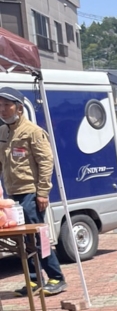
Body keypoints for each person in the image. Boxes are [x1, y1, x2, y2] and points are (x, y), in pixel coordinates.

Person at [0, 86, 67, 296]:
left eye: (7, 105)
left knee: (38, 237)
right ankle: (34, 279)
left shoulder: (33, 132)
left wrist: (43, 192)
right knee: (22, 241)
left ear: (19, 108)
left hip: (30, 192)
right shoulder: (3, 132)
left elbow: (46, 162)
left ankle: (57, 278)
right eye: (0, 106)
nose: (2, 110)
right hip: (12, 194)